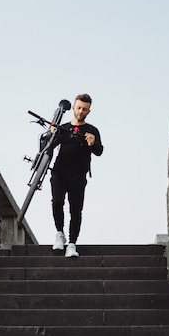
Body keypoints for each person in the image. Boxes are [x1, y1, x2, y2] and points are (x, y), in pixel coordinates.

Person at [50, 93, 103, 257]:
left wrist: (92, 143)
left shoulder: (92, 130)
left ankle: (72, 243)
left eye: (84, 109)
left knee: (76, 210)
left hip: (78, 176)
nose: (81, 111)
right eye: (79, 108)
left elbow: (99, 151)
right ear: (73, 108)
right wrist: (52, 133)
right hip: (59, 172)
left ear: (89, 111)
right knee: (57, 202)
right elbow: (48, 146)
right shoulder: (63, 128)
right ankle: (60, 234)